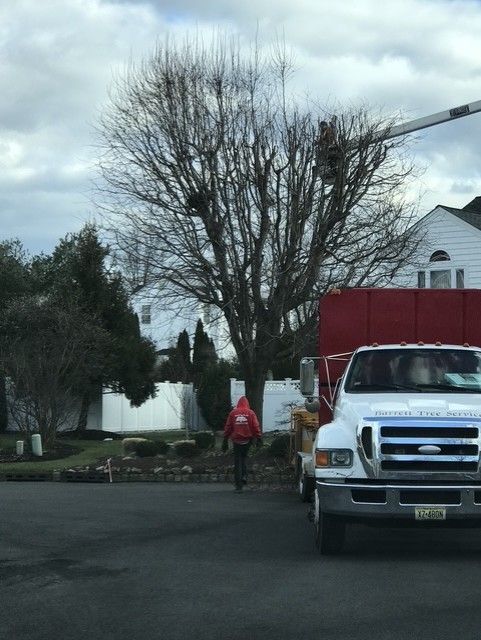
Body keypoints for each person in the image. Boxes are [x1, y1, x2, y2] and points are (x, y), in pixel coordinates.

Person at [222, 396, 262, 492]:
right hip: (247, 440)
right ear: (247, 404)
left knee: (237, 462)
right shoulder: (251, 413)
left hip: (236, 441)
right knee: (243, 459)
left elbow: (228, 427)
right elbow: (255, 426)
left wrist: (225, 439)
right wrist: (259, 437)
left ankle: (238, 485)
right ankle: (244, 476)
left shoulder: (233, 413)